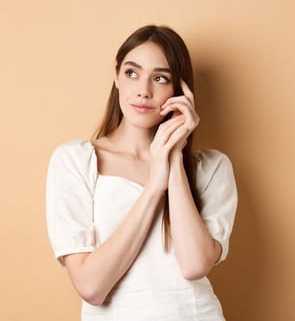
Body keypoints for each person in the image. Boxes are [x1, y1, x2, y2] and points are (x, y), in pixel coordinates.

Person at [45, 24, 238, 320]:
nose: (143, 91)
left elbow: (194, 265)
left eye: (160, 78)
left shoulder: (212, 168)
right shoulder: (75, 160)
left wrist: (173, 157)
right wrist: (153, 187)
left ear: (179, 91)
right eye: (132, 73)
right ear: (116, 76)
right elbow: (91, 287)